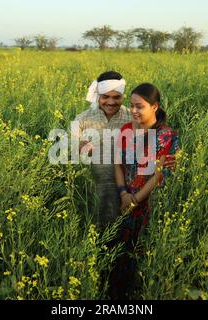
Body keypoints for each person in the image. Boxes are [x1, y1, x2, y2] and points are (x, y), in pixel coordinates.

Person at [72, 72, 177, 230]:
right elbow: (72, 149)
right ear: (98, 96)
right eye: (105, 97)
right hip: (96, 187)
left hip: (130, 187)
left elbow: (155, 135)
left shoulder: (132, 116)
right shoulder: (81, 119)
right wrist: (79, 145)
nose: (111, 102)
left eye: (117, 97)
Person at [109, 83, 180, 300]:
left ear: (155, 107)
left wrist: (135, 200)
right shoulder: (126, 131)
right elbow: (117, 164)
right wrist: (123, 194)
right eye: (131, 106)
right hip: (122, 203)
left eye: (139, 106)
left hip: (149, 207)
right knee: (117, 257)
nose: (133, 111)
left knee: (142, 258)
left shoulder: (167, 136)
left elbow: (160, 175)